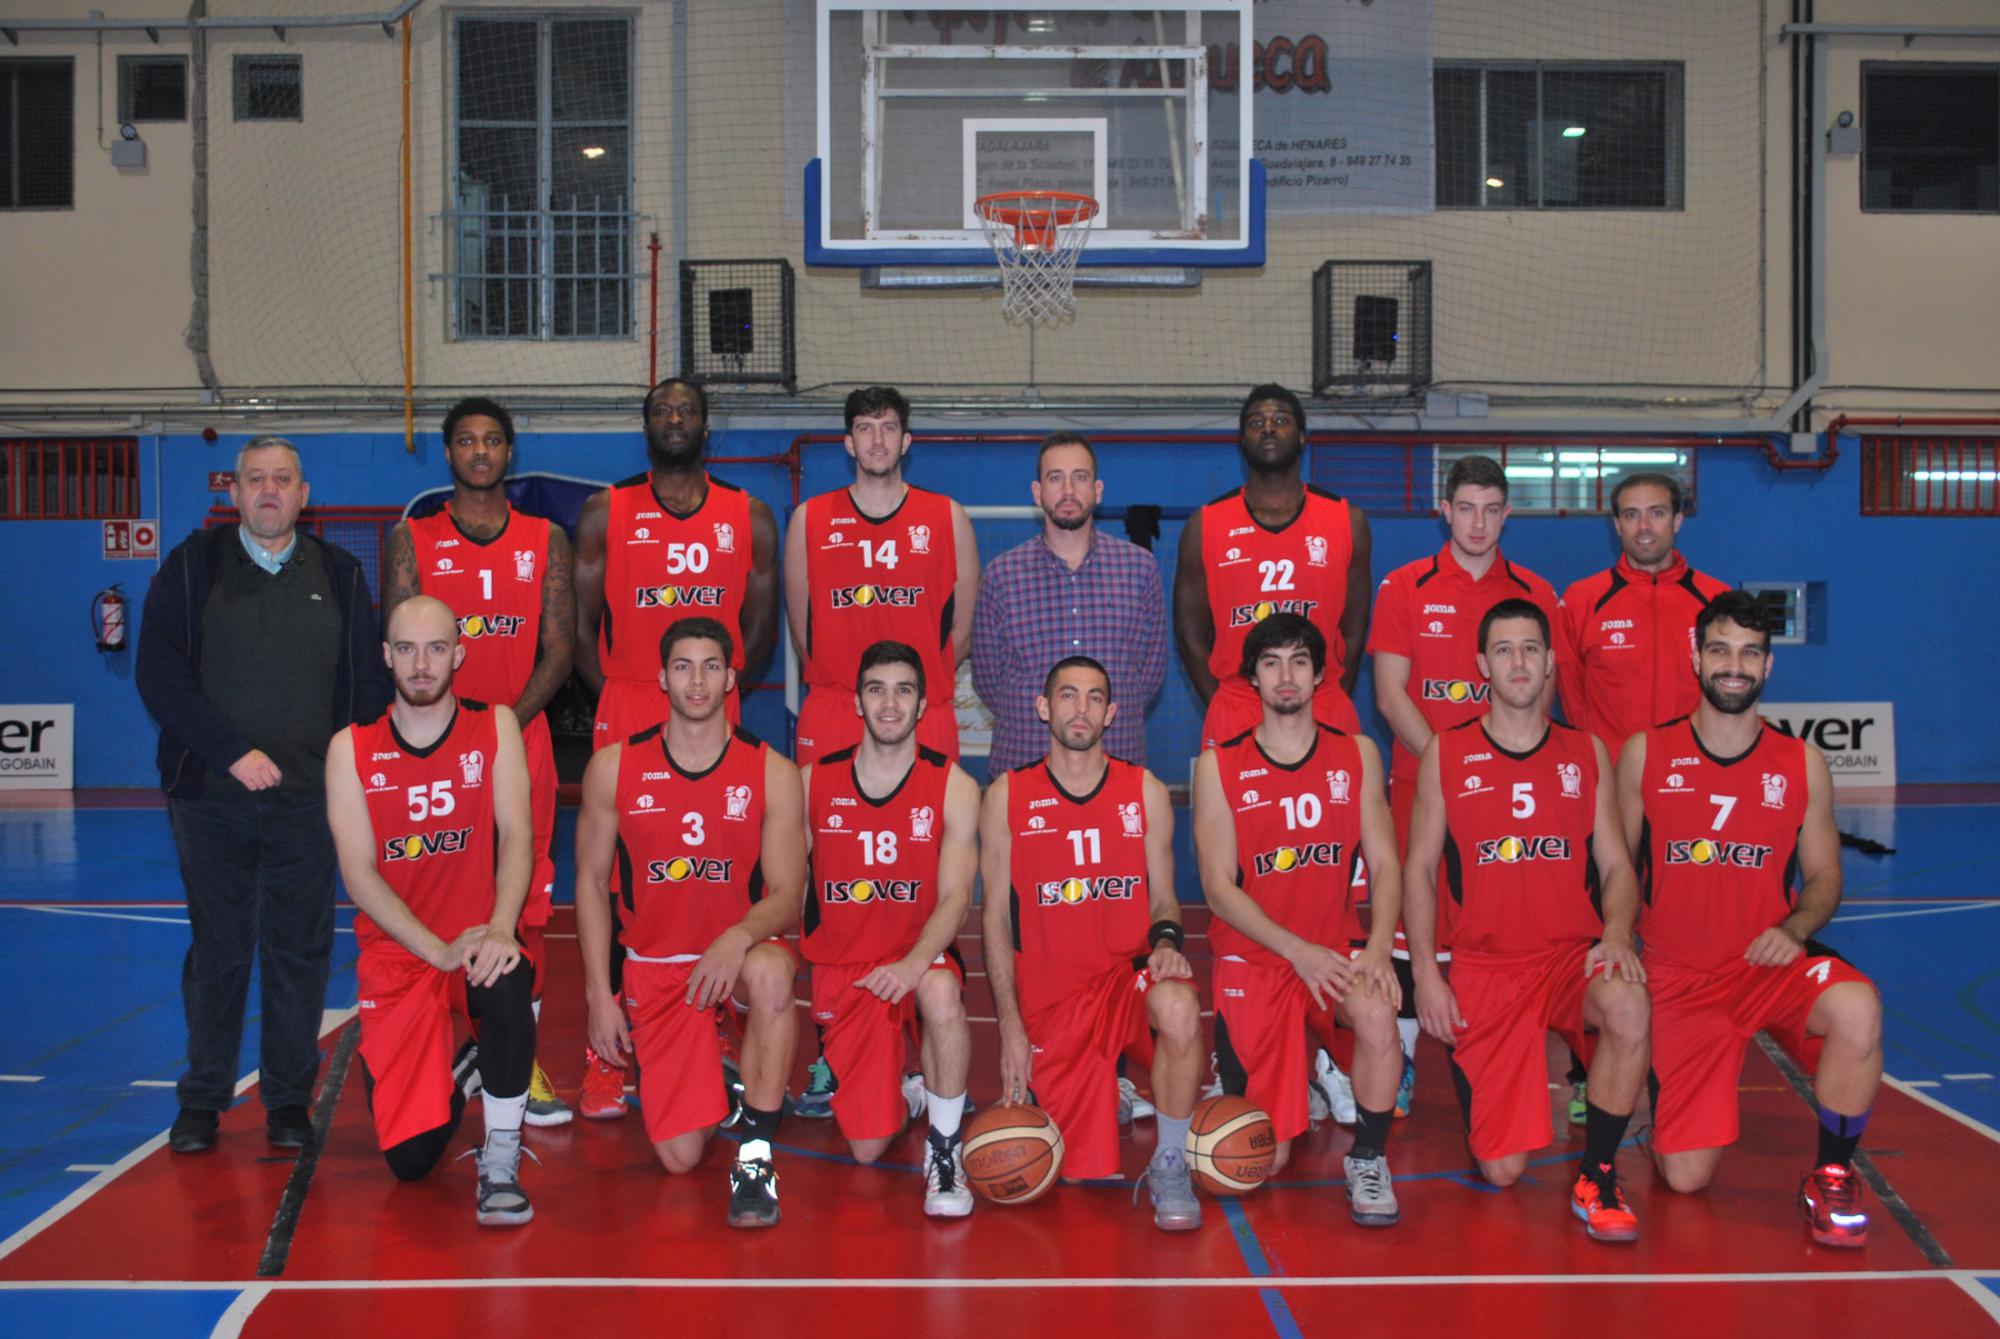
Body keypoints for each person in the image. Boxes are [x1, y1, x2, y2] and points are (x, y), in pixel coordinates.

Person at [137, 436, 391, 1155]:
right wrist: (230, 751)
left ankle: (287, 1101)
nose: (269, 490)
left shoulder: (339, 574)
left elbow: (365, 687)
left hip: (308, 804)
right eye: (255, 479)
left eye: (282, 479)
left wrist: (347, 775)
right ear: (234, 492)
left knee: (299, 953)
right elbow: (159, 674)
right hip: (210, 800)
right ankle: (203, 1099)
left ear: (304, 496)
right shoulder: (192, 567)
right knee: (218, 950)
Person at [1616, 591, 1881, 1248]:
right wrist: (1617, 944)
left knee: (1858, 1009)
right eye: (1720, 650)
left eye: (1749, 653)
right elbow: (1615, 870)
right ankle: (1668, 1097)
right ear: (1696, 657)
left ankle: (1831, 1173)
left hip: (1767, 964)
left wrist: (1793, 930)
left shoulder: (1801, 764)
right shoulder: (1646, 753)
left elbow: (1824, 877)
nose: (1734, 666)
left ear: (1767, 666)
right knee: (1685, 1178)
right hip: (1680, 980)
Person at [1404, 599, 1652, 1243]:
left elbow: (1617, 866)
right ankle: (1484, 1077)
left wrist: (1616, 934)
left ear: (1549, 663)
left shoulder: (1585, 752)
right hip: (1488, 967)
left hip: (1570, 959)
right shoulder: (1447, 752)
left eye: (1531, 649)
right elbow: (1420, 869)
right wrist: (1427, 974)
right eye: (1505, 650)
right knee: (1502, 1170)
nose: (1519, 662)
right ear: (1482, 664)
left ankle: (1598, 1174)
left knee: (1628, 1004)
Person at [571, 378, 781, 1118]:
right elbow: (581, 623)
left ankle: (716, 1023)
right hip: (632, 694)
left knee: (720, 872)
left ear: (705, 425)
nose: (674, 419)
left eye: (687, 410)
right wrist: (619, 691)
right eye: (662, 410)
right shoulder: (606, 510)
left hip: (713, 696)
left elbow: (760, 626)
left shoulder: (748, 515)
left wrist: (721, 684)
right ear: (646, 427)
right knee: (620, 882)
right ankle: (604, 1056)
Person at [572, 617, 805, 1229]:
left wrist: (736, 936)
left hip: (739, 958)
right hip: (658, 966)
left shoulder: (772, 772)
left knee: (772, 974)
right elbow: (591, 885)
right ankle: (722, 1065)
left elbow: (788, 895)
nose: (697, 681)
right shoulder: (614, 767)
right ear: (661, 678)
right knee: (680, 1158)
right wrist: (599, 996)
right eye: (683, 667)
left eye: (710, 667)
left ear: (731, 678)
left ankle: (755, 1159)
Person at [382, 397, 574, 1126]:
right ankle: (450, 1042)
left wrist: (498, 728)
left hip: (519, 739)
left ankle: (517, 1057)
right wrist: (459, 736)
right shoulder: (412, 539)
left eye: (493, 439)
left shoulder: (546, 538)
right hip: (435, 746)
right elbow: (399, 641)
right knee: (439, 888)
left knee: (525, 902)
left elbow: (560, 651)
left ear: (509, 451)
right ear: (448, 453)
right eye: (466, 440)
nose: (481, 451)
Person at [323, 596, 538, 1225]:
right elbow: (359, 875)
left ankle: (502, 1159)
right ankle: (477, 1063)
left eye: (436, 648)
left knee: (506, 976)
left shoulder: (495, 726)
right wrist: (436, 950)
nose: (422, 664)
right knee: (411, 1162)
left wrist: (500, 928)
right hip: (400, 954)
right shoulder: (350, 749)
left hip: (475, 941)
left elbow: (518, 835)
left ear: (458, 655)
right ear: (386, 656)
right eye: (408, 649)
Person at [1191, 613, 1405, 1226]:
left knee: (1378, 1012)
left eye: (1299, 662)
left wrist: (1379, 948)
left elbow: (1385, 863)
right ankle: (1292, 1076)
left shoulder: (1357, 754)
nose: (1286, 676)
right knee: (1264, 1159)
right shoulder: (1219, 766)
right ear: (1253, 680)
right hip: (1256, 958)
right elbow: (1218, 889)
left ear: (1318, 678)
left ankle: (1368, 1158)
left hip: (1333, 950)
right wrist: (1297, 951)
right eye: (1271, 663)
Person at [979, 656, 1205, 1230]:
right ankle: (1107, 1084)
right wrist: (1009, 1025)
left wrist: (1167, 942)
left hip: (1125, 981)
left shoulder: (1144, 791)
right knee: (1073, 1172)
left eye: (1095, 698)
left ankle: (1170, 1160)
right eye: (1068, 695)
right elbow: (996, 920)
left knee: (1179, 1004)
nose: (1081, 709)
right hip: (1053, 1002)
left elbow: (1164, 899)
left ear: (1111, 714)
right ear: (1043, 707)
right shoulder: (1007, 795)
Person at [1368, 454, 1562, 1118]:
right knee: (1407, 925)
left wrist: (1492, 774)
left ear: (1507, 515)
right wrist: (1452, 769)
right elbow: (1390, 694)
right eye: (1467, 509)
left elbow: (1542, 697)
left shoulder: (1535, 591)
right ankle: (1399, 1062)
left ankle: (1501, 1053)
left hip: (1506, 798)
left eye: (1492, 510)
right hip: (1418, 782)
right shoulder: (1404, 586)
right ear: (1444, 511)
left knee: (1493, 929)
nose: (1478, 524)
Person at [798, 640, 981, 1215]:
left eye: (904, 691)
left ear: (923, 705)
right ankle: (913, 1095)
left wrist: (913, 963)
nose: (890, 703)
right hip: (848, 969)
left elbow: (955, 898)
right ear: (857, 702)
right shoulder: (811, 782)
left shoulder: (954, 785)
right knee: (867, 1146)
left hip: (916, 954)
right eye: (876, 690)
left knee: (942, 991)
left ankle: (945, 1153)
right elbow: (788, 888)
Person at [785, 386, 978, 762]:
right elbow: (801, 635)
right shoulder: (809, 520)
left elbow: (964, 632)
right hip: (836, 708)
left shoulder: (948, 518)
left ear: (905, 442)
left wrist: (910, 687)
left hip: (922, 711)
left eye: (888, 428)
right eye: (865, 428)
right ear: (849, 443)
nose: (877, 441)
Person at [1176, 384, 1372, 750]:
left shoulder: (1348, 521)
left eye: (1280, 420)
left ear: (1302, 437)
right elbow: (1190, 636)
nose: (1267, 428)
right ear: (1241, 441)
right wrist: (1221, 704)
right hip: (1238, 706)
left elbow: (1355, 630)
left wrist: (1329, 696)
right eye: (1256, 422)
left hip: (1323, 705)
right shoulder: (1205, 525)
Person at [971, 432, 1168, 774]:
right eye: (1055, 478)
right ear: (1037, 492)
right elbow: (988, 681)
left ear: (1097, 490)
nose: (1068, 491)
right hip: (1025, 763)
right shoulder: (1001, 576)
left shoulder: (1139, 569)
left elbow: (1148, 676)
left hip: (1116, 762)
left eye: (1079, 477)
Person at [1556, 472, 1729, 753]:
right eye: (1631, 515)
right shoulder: (1582, 599)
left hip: (1696, 767)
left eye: (1657, 513)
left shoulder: (1715, 599)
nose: (1643, 527)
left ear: (1677, 520)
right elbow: (1572, 698)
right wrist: (1596, 760)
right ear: (1617, 525)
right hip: (1612, 771)